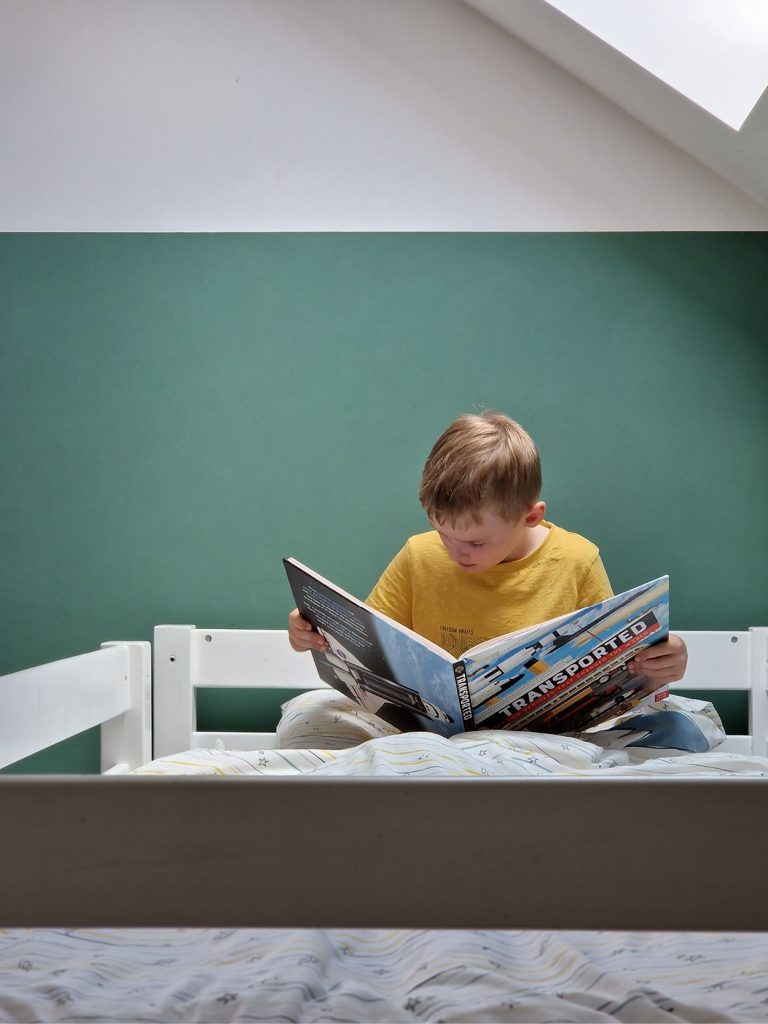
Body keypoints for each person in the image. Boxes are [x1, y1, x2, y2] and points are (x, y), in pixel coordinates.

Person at [283, 411, 709, 751]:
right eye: (442, 532)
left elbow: (616, 668)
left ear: (530, 516)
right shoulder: (419, 554)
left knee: (681, 730)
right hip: (427, 738)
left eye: (473, 541)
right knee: (306, 720)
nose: (453, 551)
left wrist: (662, 664)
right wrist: (313, 632)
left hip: (548, 741)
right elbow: (368, 644)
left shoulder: (577, 560)